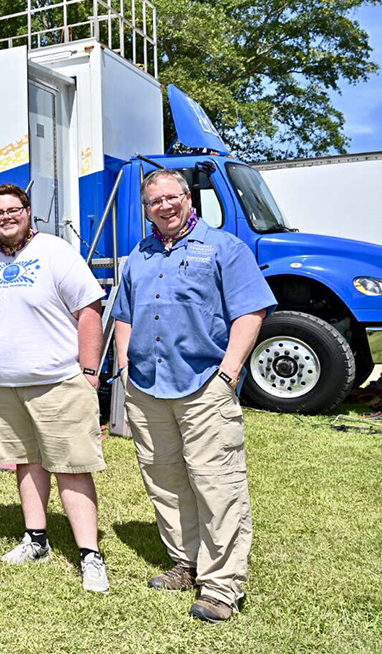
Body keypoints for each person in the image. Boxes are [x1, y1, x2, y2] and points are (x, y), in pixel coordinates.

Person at [113, 168, 275, 623]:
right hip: (147, 385)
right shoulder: (140, 254)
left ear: (188, 198)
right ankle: (186, 562)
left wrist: (229, 372)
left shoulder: (225, 248)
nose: (164, 206)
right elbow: (123, 314)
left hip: (204, 384)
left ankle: (222, 587)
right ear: (146, 209)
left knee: (217, 483)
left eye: (171, 197)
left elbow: (251, 311)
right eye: (154, 201)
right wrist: (124, 367)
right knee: (164, 479)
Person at [0, 184, 109, 593]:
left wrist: (90, 370)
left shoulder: (55, 252)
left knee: (71, 467)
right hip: (3, 386)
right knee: (25, 461)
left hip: (57, 382)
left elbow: (89, 309)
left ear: (28, 211)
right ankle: (36, 539)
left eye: (13, 209)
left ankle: (90, 555)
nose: (6, 217)